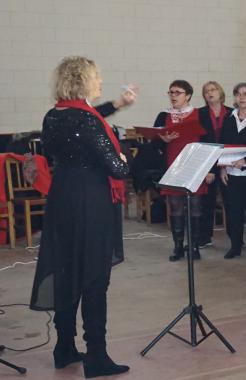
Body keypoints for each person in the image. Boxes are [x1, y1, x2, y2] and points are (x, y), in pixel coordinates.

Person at [31, 56, 135, 378]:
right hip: (90, 202)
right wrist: (122, 155)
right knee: (93, 277)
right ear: (84, 81)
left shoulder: (54, 115)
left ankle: (64, 348)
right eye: (97, 77)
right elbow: (118, 168)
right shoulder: (87, 121)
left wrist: (116, 104)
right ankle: (97, 356)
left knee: (67, 271)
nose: (100, 81)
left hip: (63, 198)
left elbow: (82, 124)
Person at [155, 80, 215, 262]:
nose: (173, 96)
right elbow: (153, 143)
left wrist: (209, 169)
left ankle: (194, 246)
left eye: (177, 92)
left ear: (188, 95)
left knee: (196, 207)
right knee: (175, 208)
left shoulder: (200, 114)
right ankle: (178, 246)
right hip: (173, 167)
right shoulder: (163, 116)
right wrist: (163, 141)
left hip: (195, 166)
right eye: (171, 92)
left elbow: (209, 142)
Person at [219, 82, 246, 260]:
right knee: (234, 212)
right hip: (231, 173)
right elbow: (222, 144)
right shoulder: (229, 119)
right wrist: (223, 168)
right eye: (238, 94)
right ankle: (235, 246)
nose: (241, 97)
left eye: (245, 94)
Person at [196, 81, 232, 249]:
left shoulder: (232, 112)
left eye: (213, 89)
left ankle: (234, 236)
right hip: (208, 162)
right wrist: (208, 169)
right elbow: (199, 142)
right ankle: (205, 236)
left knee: (231, 201)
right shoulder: (200, 114)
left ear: (220, 92)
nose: (210, 93)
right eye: (206, 91)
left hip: (228, 161)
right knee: (207, 201)